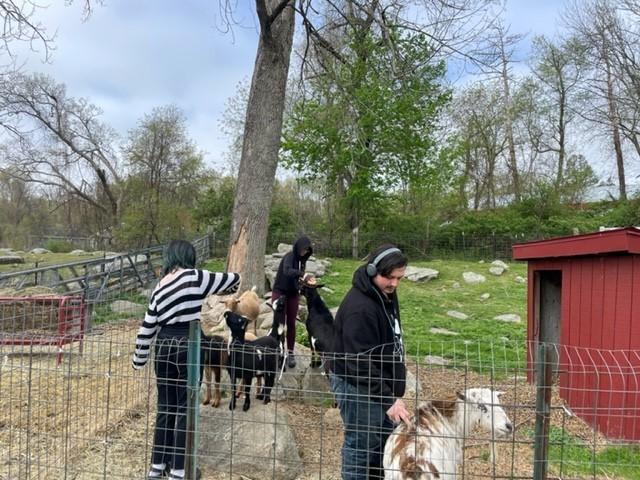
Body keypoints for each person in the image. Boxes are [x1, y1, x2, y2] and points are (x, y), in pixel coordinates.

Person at [132, 239, 240, 480]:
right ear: (189, 257)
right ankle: (179, 471)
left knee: (165, 408)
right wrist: (220, 289)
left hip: (164, 346)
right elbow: (234, 280)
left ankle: (157, 468)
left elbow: (147, 326)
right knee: (185, 409)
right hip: (188, 345)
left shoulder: (160, 286)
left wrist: (138, 359)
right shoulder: (197, 277)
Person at [330, 244, 412, 480]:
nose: (394, 284)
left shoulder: (384, 293)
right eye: (390, 277)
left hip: (377, 383)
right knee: (361, 446)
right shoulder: (360, 309)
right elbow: (358, 362)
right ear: (372, 270)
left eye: (399, 278)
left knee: (383, 444)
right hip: (356, 383)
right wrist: (388, 400)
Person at [271, 235, 313, 368]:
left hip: (293, 295)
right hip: (280, 292)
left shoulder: (302, 261)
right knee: (279, 324)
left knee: (291, 324)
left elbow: (296, 279)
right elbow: (287, 271)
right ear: (298, 247)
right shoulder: (289, 257)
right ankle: (278, 352)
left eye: (307, 250)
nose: (304, 252)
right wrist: (303, 274)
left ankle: (290, 352)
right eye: (303, 249)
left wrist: (302, 285)